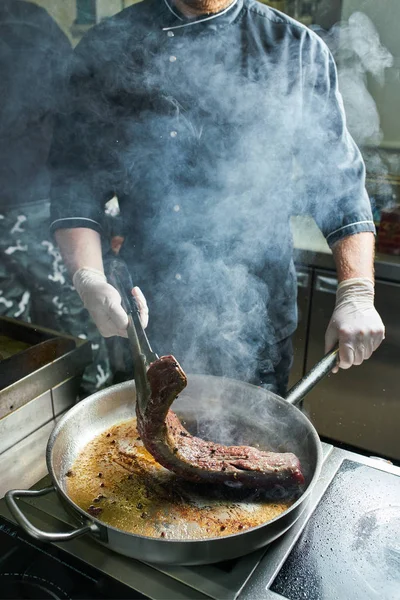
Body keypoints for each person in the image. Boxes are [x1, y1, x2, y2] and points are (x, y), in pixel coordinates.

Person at [49, 0, 385, 396]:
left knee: (251, 450)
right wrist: (88, 277)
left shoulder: (293, 47)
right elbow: (74, 184)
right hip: (144, 321)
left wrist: (357, 291)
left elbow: (339, 184)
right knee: (138, 449)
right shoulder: (107, 46)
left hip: (259, 326)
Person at [0, 0, 111, 395]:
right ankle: (88, 413)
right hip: (40, 204)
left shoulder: (29, 21)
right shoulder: (31, 20)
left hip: (34, 202)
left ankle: (37, 426)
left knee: (19, 337)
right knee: (81, 323)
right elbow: (77, 110)